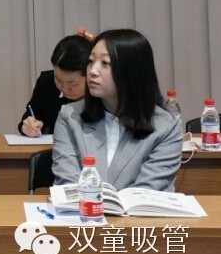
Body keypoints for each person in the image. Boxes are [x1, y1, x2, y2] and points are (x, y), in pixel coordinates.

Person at [52, 29, 182, 191]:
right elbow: (68, 183)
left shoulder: (166, 126)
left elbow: (148, 190)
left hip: (141, 208)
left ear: (132, 70)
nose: (92, 71)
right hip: (82, 207)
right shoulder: (70, 116)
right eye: (90, 61)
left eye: (105, 63)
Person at [17, 34, 93, 137]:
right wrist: (28, 126)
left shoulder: (103, 92)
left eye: (73, 84)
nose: (64, 88)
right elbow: (31, 116)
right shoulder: (47, 82)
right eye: (58, 80)